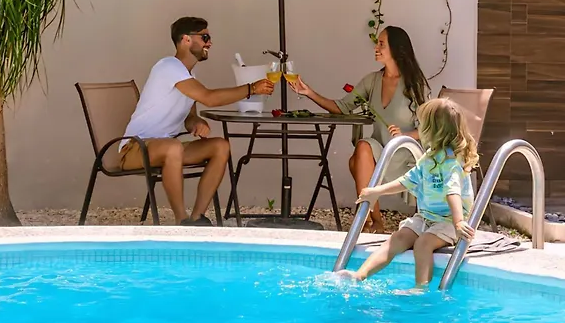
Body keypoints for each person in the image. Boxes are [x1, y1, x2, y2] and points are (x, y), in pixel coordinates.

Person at [119, 16, 274, 226]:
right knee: (173, 148)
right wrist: (251, 89)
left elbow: (189, 116)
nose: (210, 43)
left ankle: (197, 216)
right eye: (205, 37)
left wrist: (196, 122)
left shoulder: (188, 74)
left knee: (220, 146)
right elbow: (208, 98)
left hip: (167, 147)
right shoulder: (168, 66)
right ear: (186, 39)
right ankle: (181, 220)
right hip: (134, 148)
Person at [290, 26, 430, 233]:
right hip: (376, 152)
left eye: (381, 44)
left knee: (357, 160)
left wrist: (405, 135)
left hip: (404, 153)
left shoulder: (414, 84)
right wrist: (309, 92)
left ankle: (367, 221)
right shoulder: (372, 81)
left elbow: (429, 127)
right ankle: (374, 220)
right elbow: (342, 107)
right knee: (363, 147)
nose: (376, 48)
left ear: (396, 49)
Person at [336, 98, 478, 290]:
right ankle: (359, 275)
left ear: (433, 130)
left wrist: (459, 222)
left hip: (449, 222)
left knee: (423, 244)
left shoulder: (451, 162)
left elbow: (453, 192)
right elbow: (407, 180)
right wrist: (376, 192)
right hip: (426, 217)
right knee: (397, 238)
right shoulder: (429, 157)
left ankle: (420, 288)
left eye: (422, 125)